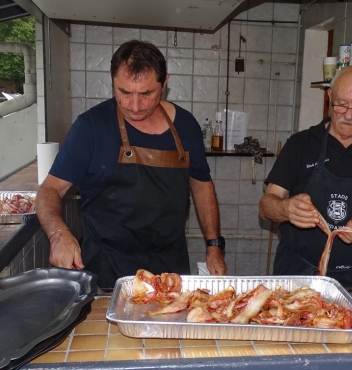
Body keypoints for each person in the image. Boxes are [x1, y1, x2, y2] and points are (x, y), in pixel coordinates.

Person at [36, 40, 227, 288]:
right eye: (124, 92)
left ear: (164, 83)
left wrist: (214, 246)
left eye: (146, 93)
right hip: (106, 266)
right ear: (113, 80)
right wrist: (58, 234)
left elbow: (202, 186)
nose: (134, 106)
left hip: (169, 265)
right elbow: (50, 189)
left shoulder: (186, 126)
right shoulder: (91, 127)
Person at [259, 65, 352, 288]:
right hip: (294, 274)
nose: (348, 115)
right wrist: (287, 208)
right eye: (342, 104)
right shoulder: (300, 144)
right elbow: (266, 206)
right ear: (329, 97)